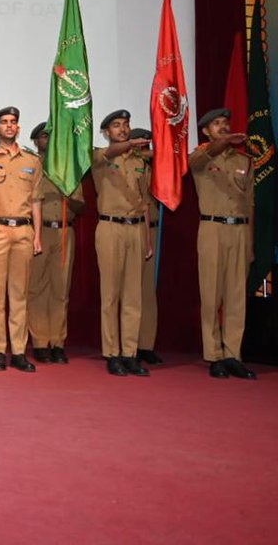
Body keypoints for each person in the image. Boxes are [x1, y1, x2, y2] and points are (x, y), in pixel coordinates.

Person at [190, 109, 257, 380]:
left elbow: (250, 204)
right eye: (216, 124)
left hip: (239, 230)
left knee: (236, 296)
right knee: (211, 295)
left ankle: (233, 355)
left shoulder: (244, 160)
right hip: (212, 228)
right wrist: (224, 141)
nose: (223, 126)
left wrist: (250, 242)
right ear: (206, 131)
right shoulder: (200, 156)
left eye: (225, 122)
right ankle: (214, 355)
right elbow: (200, 158)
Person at [0, 107, 43, 372]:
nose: (9, 126)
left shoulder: (32, 160)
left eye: (13, 122)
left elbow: (36, 201)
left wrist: (38, 235)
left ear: (18, 127)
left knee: (19, 295)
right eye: (4, 122)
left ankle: (18, 351)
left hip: (23, 231)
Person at [90, 110, 152, 377]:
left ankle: (130, 352)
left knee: (133, 296)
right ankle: (112, 353)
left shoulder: (140, 161)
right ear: (106, 132)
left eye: (126, 124)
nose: (123, 129)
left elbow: (145, 201)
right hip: (110, 227)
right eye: (116, 126)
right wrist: (128, 145)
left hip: (135, 228)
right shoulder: (100, 156)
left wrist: (146, 237)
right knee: (111, 295)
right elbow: (110, 153)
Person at [26, 123, 85, 365]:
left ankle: (58, 342)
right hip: (39, 231)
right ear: (36, 141)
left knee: (61, 289)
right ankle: (40, 342)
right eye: (43, 136)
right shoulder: (31, 166)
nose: (48, 140)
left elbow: (81, 206)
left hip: (63, 231)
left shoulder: (68, 168)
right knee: (37, 288)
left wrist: (67, 195)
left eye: (52, 136)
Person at [130, 127, 164, 365]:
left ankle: (146, 344)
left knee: (147, 292)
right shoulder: (130, 164)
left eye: (147, 142)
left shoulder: (158, 167)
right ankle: (128, 344)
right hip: (131, 227)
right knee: (129, 291)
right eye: (140, 142)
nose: (144, 146)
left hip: (151, 228)